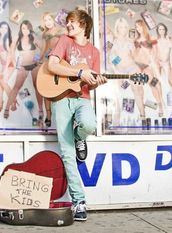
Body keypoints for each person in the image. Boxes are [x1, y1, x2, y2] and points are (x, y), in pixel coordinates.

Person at [48, 9, 107, 221]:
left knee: (89, 125)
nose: (69, 25)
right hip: (61, 99)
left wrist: (95, 81)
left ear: (84, 25)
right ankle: (79, 201)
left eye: (72, 22)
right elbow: (52, 65)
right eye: (68, 21)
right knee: (67, 152)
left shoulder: (95, 53)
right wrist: (79, 72)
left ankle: (80, 136)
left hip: (82, 98)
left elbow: (89, 86)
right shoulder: (64, 41)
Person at [4, 20, 43, 121]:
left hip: (34, 65)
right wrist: (15, 62)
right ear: (21, 29)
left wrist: (38, 58)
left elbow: (43, 47)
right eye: (23, 28)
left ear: (30, 29)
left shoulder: (33, 38)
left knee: (37, 87)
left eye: (28, 28)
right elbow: (11, 51)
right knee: (16, 87)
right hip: (23, 66)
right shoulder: (17, 38)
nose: (26, 31)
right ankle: (7, 109)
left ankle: (40, 110)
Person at [109, 17, 145, 123]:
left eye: (125, 27)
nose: (123, 29)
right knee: (118, 94)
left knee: (136, 90)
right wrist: (118, 63)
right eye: (121, 27)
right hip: (120, 71)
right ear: (117, 28)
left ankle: (143, 115)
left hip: (131, 68)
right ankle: (117, 119)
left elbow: (134, 57)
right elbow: (110, 58)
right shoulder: (112, 42)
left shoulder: (130, 41)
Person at [133, 19, 164, 117]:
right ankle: (142, 111)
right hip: (138, 65)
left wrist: (154, 64)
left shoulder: (151, 38)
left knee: (153, 85)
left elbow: (156, 52)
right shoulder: (136, 40)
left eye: (140, 26)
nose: (139, 29)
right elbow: (134, 54)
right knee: (138, 88)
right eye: (137, 27)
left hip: (149, 65)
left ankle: (160, 105)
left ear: (144, 26)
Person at [40, 12, 66, 127]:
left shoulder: (61, 30)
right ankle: (48, 115)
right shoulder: (45, 33)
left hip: (59, 59)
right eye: (45, 20)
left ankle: (62, 115)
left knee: (61, 86)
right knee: (46, 87)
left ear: (53, 19)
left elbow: (67, 43)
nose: (47, 22)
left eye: (49, 19)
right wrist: (39, 58)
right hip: (48, 59)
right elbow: (45, 47)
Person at [0, 21, 13, 113]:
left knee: (3, 82)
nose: (3, 29)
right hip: (3, 64)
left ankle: (13, 101)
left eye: (6, 28)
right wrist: (0, 68)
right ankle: (0, 102)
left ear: (8, 30)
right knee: (0, 83)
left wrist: (5, 69)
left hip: (9, 64)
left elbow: (10, 55)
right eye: (2, 27)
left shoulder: (7, 39)